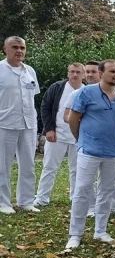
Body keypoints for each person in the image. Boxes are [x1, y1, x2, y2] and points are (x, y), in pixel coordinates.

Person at [65, 60, 115, 249]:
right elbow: (73, 119)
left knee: (106, 191)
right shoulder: (86, 93)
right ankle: (75, 234)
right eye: (112, 71)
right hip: (89, 150)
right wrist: (81, 140)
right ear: (101, 73)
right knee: (82, 189)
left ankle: (100, 231)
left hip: (112, 150)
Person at [34, 63, 85, 207]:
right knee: (49, 167)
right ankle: (42, 198)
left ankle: (75, 198)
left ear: (84, 74)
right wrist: (49, 129)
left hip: (78, 137)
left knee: (77, 170)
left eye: (78, 72)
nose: (75, 75)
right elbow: (45, 107)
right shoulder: (57, 87)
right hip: (57, 135)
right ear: (67, 73)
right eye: (72, 71)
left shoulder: (87, 90)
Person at [0, 36, 41, 214]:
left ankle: (26, 201)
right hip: (5, 123)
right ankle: (3, 203)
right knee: (3, 166)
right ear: (5, 49)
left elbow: (33, 95)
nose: (19, 51)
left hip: (28, 124)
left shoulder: (29, 71)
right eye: (15, 47)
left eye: (22, 48)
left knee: (28, 165)